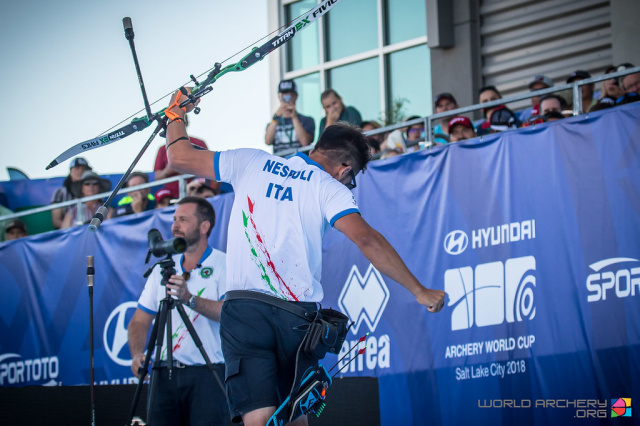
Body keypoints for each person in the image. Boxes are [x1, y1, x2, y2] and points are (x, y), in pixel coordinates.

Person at [163, 89, 446, 426]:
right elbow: (367, 240)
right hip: (295, 317)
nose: (348, 182)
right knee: (295, 420)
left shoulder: (251, 160)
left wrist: (176, 115)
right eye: (352, 177)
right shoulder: (329, 188)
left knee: (261, 419)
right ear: (343, 168)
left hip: (245, 312)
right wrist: (420, 291)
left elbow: (179, 156)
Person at [128, 196, 228, 426]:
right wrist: (136, 354)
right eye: (174, 219)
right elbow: (140, 320)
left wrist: (189, 299)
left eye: (183, 219)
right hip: (163, 373)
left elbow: (228, 313)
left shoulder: (225, 263)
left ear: (205, 226)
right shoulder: (162, 270)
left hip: (208, 372)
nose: (175, 225)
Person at [154, 115, 208, 199]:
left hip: (197, 192)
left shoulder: (198, 143)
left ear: (186, 123)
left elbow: (211, 168)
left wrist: (187, 167)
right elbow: (157, 178)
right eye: (172, 122)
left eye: (179, 121)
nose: (176, 125)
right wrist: (167, 170)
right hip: (171, 196)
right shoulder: (162, 150)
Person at [265, 80, 315, 155]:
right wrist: (276, 117)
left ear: (295, 96)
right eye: (283, 95)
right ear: (279, 97)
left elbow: (305, 142)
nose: (286, 99)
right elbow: (267, 141)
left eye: (289, 95)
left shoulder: (307, 120)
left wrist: (294, 117)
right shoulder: (273, 122)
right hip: (280, 164)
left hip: (299, 163)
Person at [50, 157, 92, 229]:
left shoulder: (93, 189)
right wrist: (74, 230)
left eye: (84, 169)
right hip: (68, 233)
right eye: (77, 168)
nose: (81, 171)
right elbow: (56, 221)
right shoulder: (60, 193)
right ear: (71, 170)